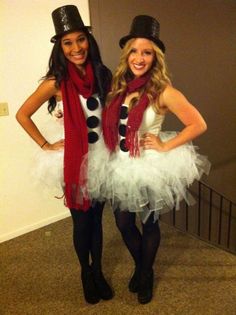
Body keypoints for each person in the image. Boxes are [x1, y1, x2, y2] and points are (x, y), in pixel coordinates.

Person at [100, 15, 210, 304]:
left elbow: (198, 124)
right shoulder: (120, 87)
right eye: (134, 51)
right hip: (121, 164)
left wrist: (165, 145)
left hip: (148, 166)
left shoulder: (163, 91)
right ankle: (142, 266)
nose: (139, 58)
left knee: (149, 224)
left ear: (155, 57)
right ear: (127, 55)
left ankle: (145, 274)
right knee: (124, 223)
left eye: (147, 52)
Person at [16, 5, 113, 304]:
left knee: (97, 221)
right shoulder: (56, 82)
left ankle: (98, 270)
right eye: (67, 43)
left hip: (101, 159)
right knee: (81, 222)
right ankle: (85, 272)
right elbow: (22, 115)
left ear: (88, 40)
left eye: (80, 40)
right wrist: (45, 145)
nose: (76, 48)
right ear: (60, 47)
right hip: (73, 162)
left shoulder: (102, 75)